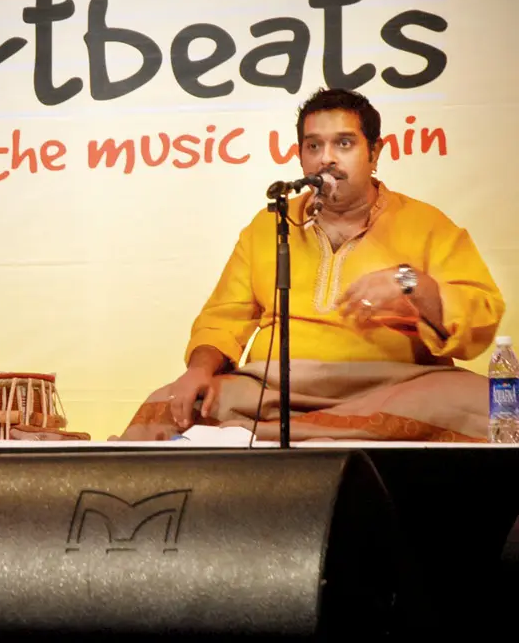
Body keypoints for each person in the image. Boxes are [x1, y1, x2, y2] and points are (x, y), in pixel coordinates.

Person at [116, 88, 505, 442]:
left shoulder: (426, 223)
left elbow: (479, 319)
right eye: (313, 145)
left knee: (481, 403)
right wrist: (200, 370)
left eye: (344, 143)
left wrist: (411, 283)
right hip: (276, 388)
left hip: (395, 386)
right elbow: (223, 319)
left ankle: (290, 437)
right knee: (168, 403)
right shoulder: (269, 225)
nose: (326, 158)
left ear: (375, 152)